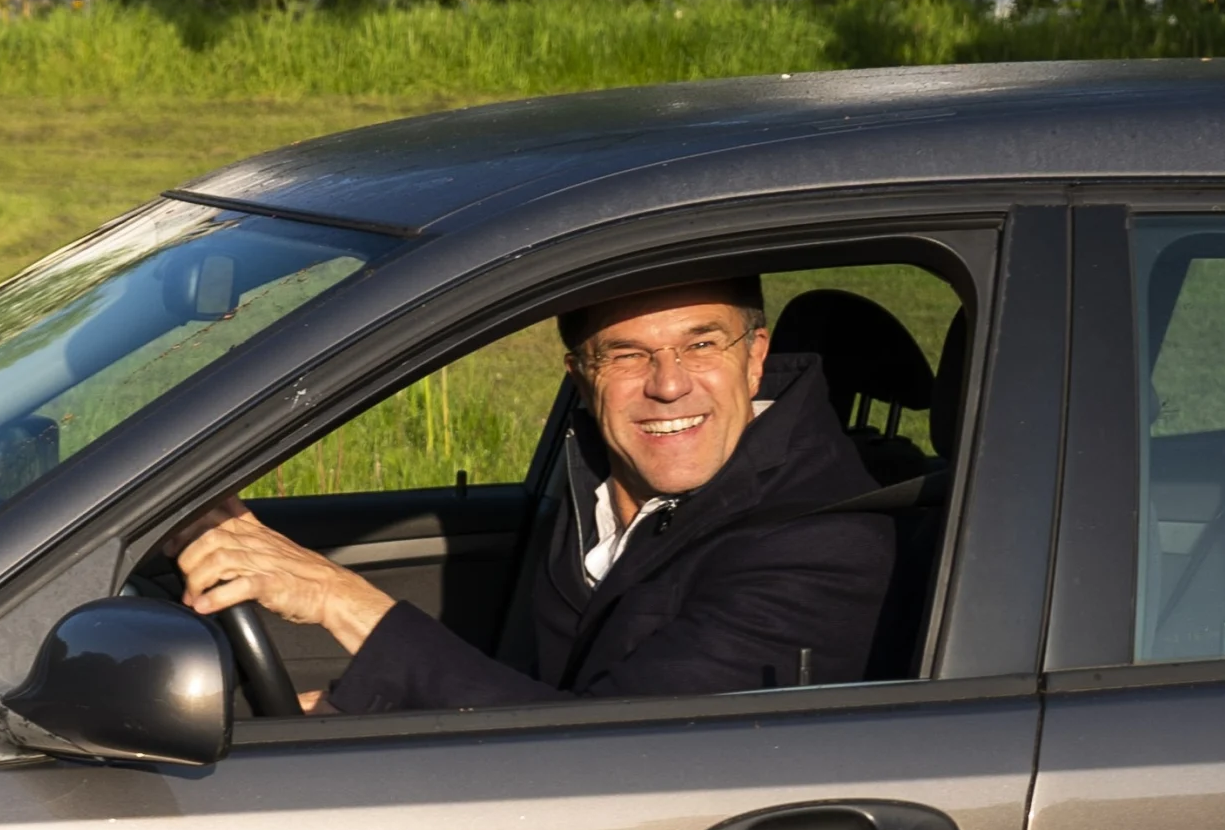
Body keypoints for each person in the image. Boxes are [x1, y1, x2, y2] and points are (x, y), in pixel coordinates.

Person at [174, 279, 896, 712]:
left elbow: (602, 755)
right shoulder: (600, 472)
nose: (669, 383)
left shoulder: (821, 544)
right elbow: (530, 690)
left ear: (757, 357)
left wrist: (342, 598)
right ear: (580, 372)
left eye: (701, 344)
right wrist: (351, 712)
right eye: (627, 354)